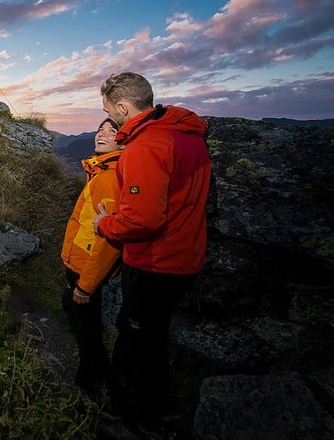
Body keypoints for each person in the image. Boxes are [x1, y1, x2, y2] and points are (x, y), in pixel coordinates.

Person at [92, 72, 211, 429]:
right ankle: (158, 408)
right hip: (186, 257)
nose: (108, 117)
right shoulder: (188, 138)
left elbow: (143, 220)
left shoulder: (145, 147)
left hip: (155, 262)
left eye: (109, 110)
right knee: (154, 337)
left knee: (136, 340)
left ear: (124, 107)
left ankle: (133, 415)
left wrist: (105, 225)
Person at [60, 118, 123, 397]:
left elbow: (110, 240)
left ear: (124, 140)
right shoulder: (101, 170)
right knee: (75, 311)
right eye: (101, 129)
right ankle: (103, 374)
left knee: (87, 325)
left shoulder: (109, 178)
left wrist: (86, 285)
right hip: (79, 259)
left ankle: (89, 384)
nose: (102, 134)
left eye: (113, 131)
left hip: (86, 265)